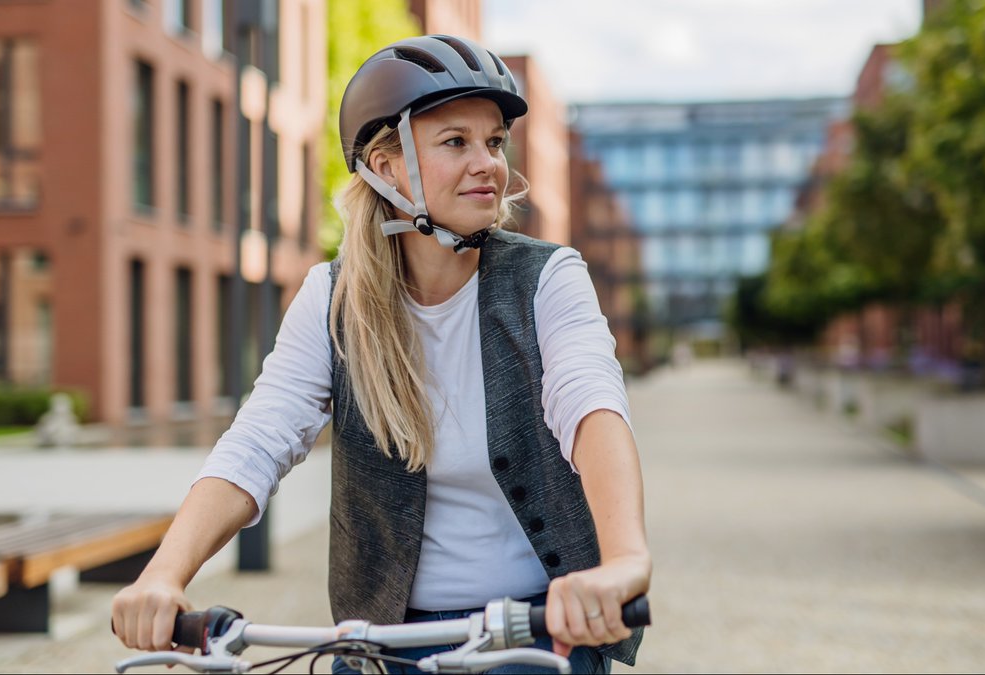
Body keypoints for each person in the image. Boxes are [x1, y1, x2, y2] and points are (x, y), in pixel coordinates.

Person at [111, 34, 651, 674]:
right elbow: (260, 438)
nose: (488, 164)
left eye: (494, 142)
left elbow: (590, 409)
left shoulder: (547, 278)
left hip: (533, 631)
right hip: (382, 640)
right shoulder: (334, 298)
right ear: (388, 167)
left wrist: (623, 564)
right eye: (456, 142)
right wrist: (163, 575)